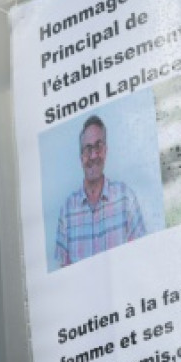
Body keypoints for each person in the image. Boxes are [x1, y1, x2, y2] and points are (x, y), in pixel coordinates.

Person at [54, 115, 147, 269]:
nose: (93, 155)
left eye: (98, 146)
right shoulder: (66, 211)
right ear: (80, 156)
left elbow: (141, 258)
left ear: (106, 150)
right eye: (88, 149)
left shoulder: (126, 198)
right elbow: (64, 275)